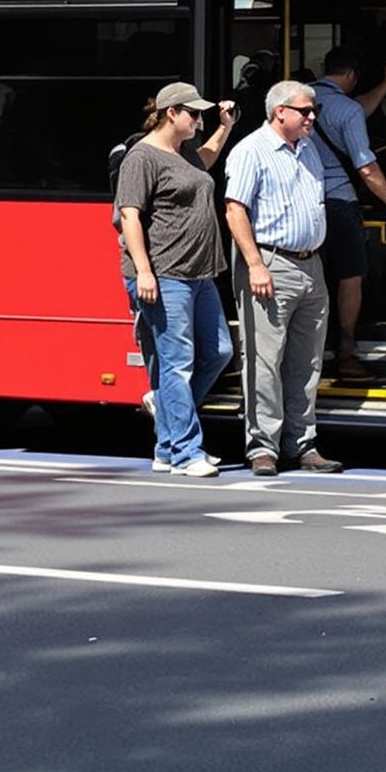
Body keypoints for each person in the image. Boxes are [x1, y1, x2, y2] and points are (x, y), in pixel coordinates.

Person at [116, 83, 240, 475]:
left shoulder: (184, 153)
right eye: (195, 115)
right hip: (166, 274)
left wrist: (226, 127)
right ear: (172, 113)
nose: (200, 122)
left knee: (219, 351)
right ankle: (187, 452)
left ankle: (167, 440)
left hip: (199, 273)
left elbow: (204, 161)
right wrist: (144, 271)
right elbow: (129, 216)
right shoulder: (142, 157)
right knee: (177, 363)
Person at [222, 80, 343, 477]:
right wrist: (255, 265)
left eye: (314, 111)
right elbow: (235, 210)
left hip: (311, 265)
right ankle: (263, 447)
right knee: (264, 361)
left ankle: (302, 443)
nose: (313, 117)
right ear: (281, 112)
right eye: (306, 111)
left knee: (306, 362)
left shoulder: (308, 149)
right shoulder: (250, 151)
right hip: (271, 264)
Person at [311, 48, 386, 386]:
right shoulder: (348, 109)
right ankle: (346, 350)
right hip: (340, 202)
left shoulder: (301, 101)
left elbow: (358, 110)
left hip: (306, 204)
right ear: (353, 76)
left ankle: (312, 349)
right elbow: (366, 165)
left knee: (314, 274)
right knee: (350, 276)